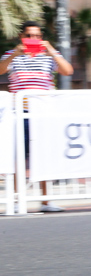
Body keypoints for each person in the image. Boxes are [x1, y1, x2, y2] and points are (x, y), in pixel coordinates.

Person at [0, 21, 74, 213]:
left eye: (37, 36)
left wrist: (52, 50)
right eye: (29, 36)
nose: (34, 39)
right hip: (19, 113)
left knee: (43, 158)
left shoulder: (48, 57)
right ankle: (17, 201)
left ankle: (46, 201)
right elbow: (0, 70)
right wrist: (16, 53)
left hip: (43, 114)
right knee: (19, 159)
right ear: (22, 37)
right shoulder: (12, 55)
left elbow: (67, 71)